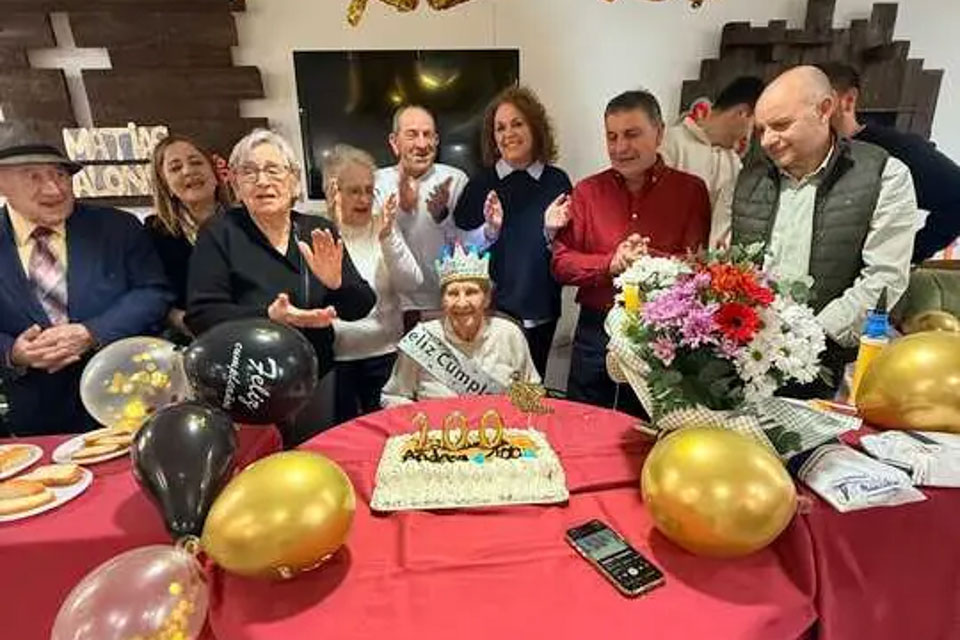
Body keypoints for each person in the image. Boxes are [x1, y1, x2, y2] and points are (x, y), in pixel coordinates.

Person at [732, 66, 918, 396]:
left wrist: (808, 338)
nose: (768, 140)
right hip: (750, 360)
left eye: (780, 125)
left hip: (833, 366)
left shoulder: (883, 175)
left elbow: (885, 277)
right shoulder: (749, 178)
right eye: (761, 130)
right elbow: (734, 267)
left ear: (824, 109)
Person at [186, 129, 376, 443]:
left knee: (316, 462)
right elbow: (202, 314)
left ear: (294, 181)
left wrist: (337, 284)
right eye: (250, 171)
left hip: (314, 378)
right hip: (246, 386)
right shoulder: (220, 233)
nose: (262, 181)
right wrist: (270, 317)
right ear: (234, 182)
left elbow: (361, 306)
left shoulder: (317, 229)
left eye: (274, 170)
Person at [0, 125, 171, 436]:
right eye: (33, 176)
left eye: (60, 175)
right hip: (39, 414)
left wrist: (92, 332)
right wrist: (12, 352)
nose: (54, 188)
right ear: (2, 183)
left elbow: (153, 292)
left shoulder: (117, 227)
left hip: (130, 395)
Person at [552, 90, 710, 415]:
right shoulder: (587, 191)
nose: (620, 147)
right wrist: (611, 262)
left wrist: (648, 262)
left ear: (659, 133)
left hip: (660, 333)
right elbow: (561, 264)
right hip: (596, 331)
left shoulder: (690, 191)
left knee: (650, 427)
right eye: (612, 136)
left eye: (632, 134)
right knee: (584, 421)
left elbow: (697, 269)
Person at [452, 86, 573, 378]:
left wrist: (549, 231)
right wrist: (489, 231)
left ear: (535, 127)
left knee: (531, 391)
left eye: (517, 124)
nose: (508, 134)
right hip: (493, 311)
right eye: (500, 128)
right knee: (494, 388)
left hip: (541, 307)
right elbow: (460, 250)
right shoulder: (481, 184)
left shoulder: (557, 181)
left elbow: (567, 253)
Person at [374, 105, 501, 331]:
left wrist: (486, 228)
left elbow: (470, 247)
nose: (422, 144)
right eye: (412, 134)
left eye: (428, 135)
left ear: (437, 140)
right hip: (393, 312)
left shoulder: (456, 179)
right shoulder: (376, 183)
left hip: (448, 307)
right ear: (394, 142)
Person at [819, 61, 960, 262]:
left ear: (848, 100)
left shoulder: (896, 150)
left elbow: (957, 197)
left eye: (819, 103)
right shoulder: (797, 153)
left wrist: (906, 256)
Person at [323, 144, 423, 423]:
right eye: (354, 190)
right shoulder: (319, 233)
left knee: (385, 434)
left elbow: (412, 282)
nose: (364, 199)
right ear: (334, 192)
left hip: (385, 356)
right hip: (335, 362)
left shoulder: (385, 227)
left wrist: (388, 238)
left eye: (369, 190)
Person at [381, 243, 538, 406]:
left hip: (497, 429)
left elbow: (532, 393)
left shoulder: (508, 333)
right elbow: (392, 396)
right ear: (442, 300)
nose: (462, 303)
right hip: (438, 429)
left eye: (471, 292)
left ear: (487, 299)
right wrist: (419, 421)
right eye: (453, 293)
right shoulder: (421, 339)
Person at [660, 76, 766, 248]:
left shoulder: (734, 162)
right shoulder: (670, 142)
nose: (754, 136)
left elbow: (723, 225)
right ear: (742, 113)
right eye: (755, 126)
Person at [146, 134, 232, 343]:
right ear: (165, 185)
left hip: (248, 331)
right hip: (187, 338)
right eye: (175, 168)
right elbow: (155, 296)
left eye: (196, 162)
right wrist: (188, 324)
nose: (188, 171)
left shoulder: (245, 221)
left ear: (214, 173)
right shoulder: (154, 231)